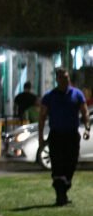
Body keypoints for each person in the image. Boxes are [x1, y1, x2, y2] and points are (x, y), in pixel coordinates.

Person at [38, 69, 91, 206]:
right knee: (57, 165)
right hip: (56, 135)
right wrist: (40, 137)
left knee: (71, 164)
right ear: (57, 79)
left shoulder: (77, 94)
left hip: (72, 135)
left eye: (67, 77)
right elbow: (42, 117)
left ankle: (64, 188)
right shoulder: (50, 96)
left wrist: (87, 128)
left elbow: (85, 112)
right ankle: (60, 195)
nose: (65, 80)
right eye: (62, 78)